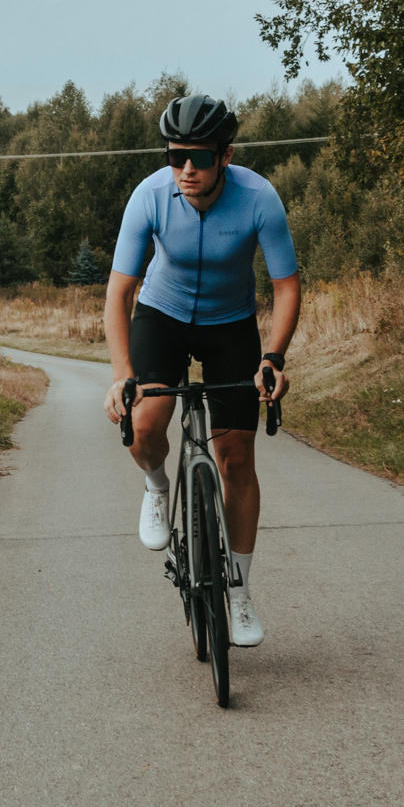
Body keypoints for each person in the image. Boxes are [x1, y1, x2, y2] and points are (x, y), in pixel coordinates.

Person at [102, 91, 300, 647]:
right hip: (161, 316)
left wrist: (274, 357)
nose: (187, 169)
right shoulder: (150, 197)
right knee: (144, 425)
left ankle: (238, 593)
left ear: (225, 156)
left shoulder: (259, 198)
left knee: (236, 456)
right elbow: (119, 292)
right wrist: (123, 372)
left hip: (230, 324)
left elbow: (287, 286)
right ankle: (157, 484)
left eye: (200, 157)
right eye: (175, 156)